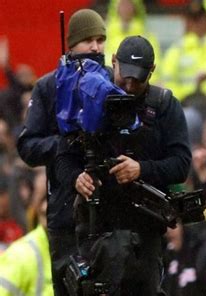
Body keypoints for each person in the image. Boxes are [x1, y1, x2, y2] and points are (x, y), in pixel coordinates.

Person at [55, 35, 191, 295]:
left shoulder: (164, 106)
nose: (128, 87)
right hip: (98, 231)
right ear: (114, 61)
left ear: (151, 72)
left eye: (137, 80)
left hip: (145, 235)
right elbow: (62, 158)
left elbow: (181, 164)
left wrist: (142, 169)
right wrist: (76, 178)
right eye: (124, 76)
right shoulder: (91, 97)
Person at [16, 8, 107, 295]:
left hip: (107, 214)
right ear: (71, 44)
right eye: (88, 40)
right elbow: (28, 146)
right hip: (65, 215)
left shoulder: (112, 84)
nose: (95, 47)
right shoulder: (48, 87)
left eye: (101, 39)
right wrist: (65, 144)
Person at [0, 168, 53, 296]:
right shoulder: (19, 255)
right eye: (42, 199)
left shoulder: (89, 249)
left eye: (53, 199)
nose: (46, 207)